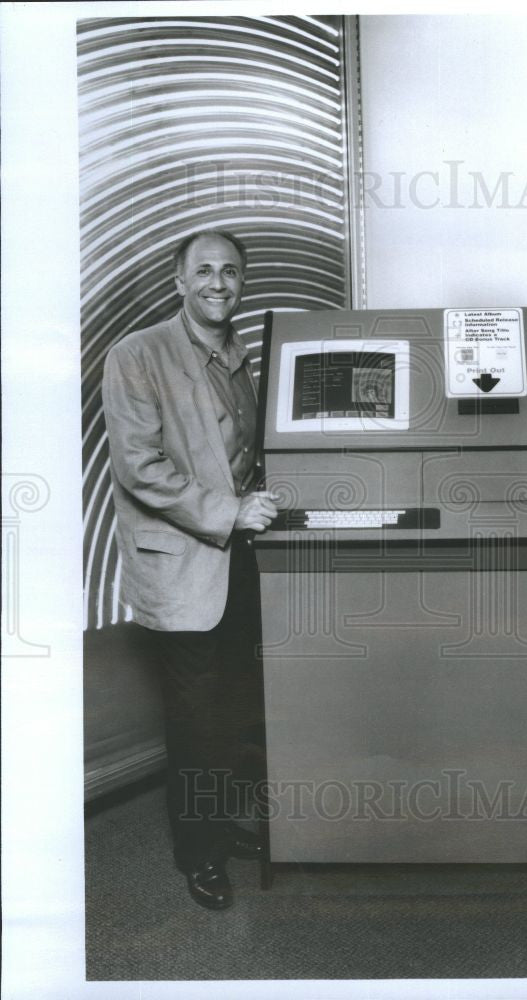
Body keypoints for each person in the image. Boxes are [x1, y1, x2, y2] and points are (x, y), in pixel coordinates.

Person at [102, 229, 278, 909]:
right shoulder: (136, 354)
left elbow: (242, 454)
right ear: (179, 281)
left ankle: (216, 826)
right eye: (203, 271)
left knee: (229, 710)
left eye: (230, 272)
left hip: (236, 571)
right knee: (197, 718)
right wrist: (231, 512)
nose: (217, 283)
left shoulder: (238, 354)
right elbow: (139, 469)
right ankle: (198, 855)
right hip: (182, 572)